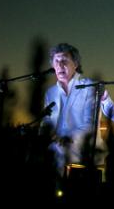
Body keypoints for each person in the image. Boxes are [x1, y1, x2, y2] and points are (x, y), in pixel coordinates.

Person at [41, 43, 104, 177]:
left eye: (64, 60)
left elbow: (90, 125)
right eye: (56, 61)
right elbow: (46, 123)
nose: (60, 65)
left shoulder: (89, 86)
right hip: (55, 158)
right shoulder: (50, 93)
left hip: (83, 157)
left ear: (75, 64)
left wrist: (64, 139)